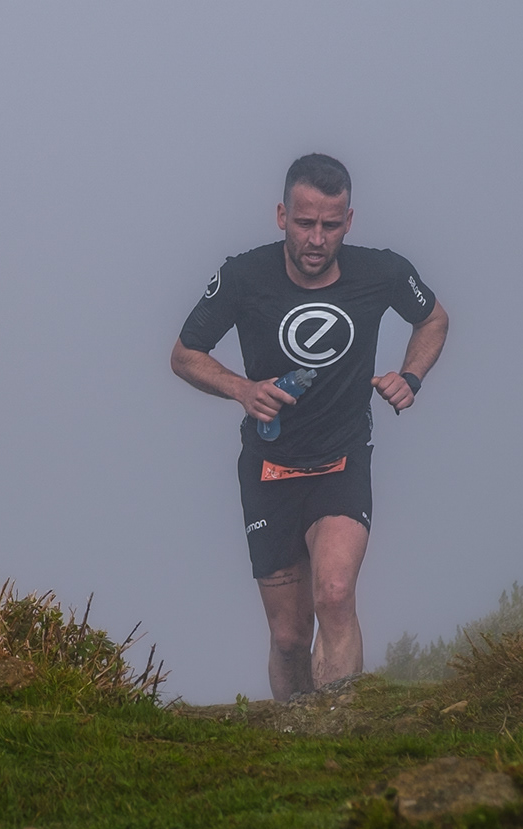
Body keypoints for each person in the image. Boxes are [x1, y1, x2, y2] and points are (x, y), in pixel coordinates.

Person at [170, 153, 449, 701]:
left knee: (336, 593)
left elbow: (433, 318)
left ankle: (340, 734)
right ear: (281, 216)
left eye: (330, 225)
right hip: (270, 468)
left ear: (349, 221)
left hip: (342, 458)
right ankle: (293, 736)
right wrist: (242, 389)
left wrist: (411, 376)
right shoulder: (243, 277)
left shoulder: (382, 272)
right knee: (290, 637)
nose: (316, 239)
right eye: (304, 223)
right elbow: (184, 355)